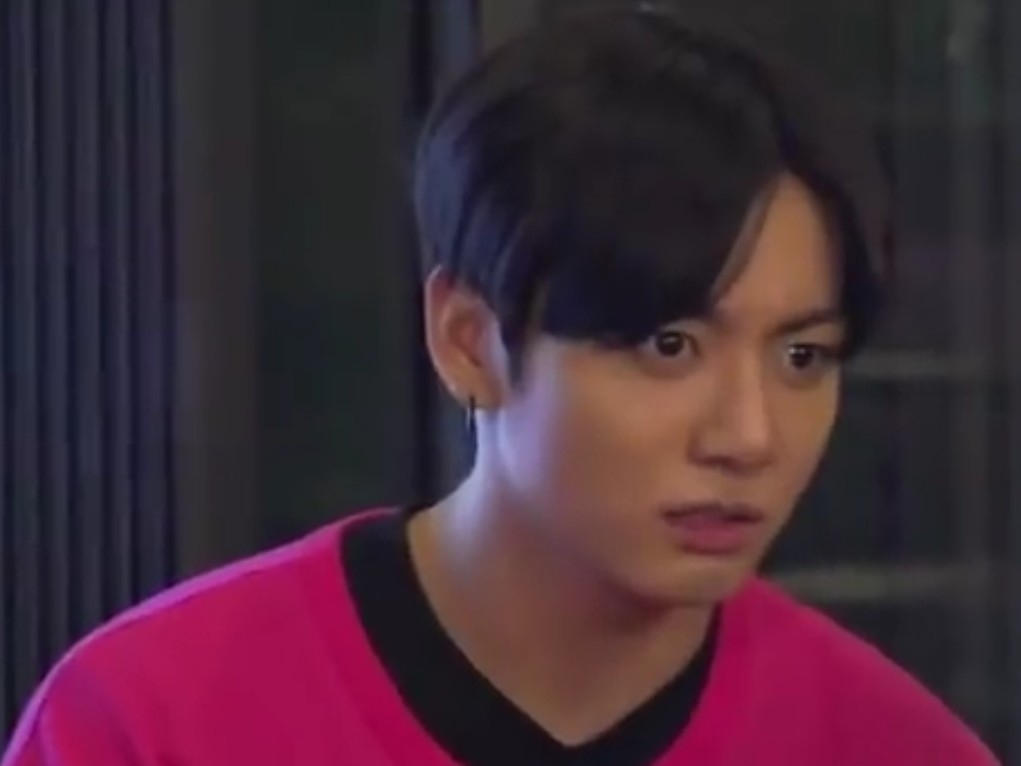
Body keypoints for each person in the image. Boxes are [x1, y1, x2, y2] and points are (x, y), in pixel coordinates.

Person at [2, 5, 1000, 765]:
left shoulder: (886, 745)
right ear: (468, 340)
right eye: (667, 345)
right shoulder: (151, 720)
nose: (748, 436)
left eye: (800, 358)